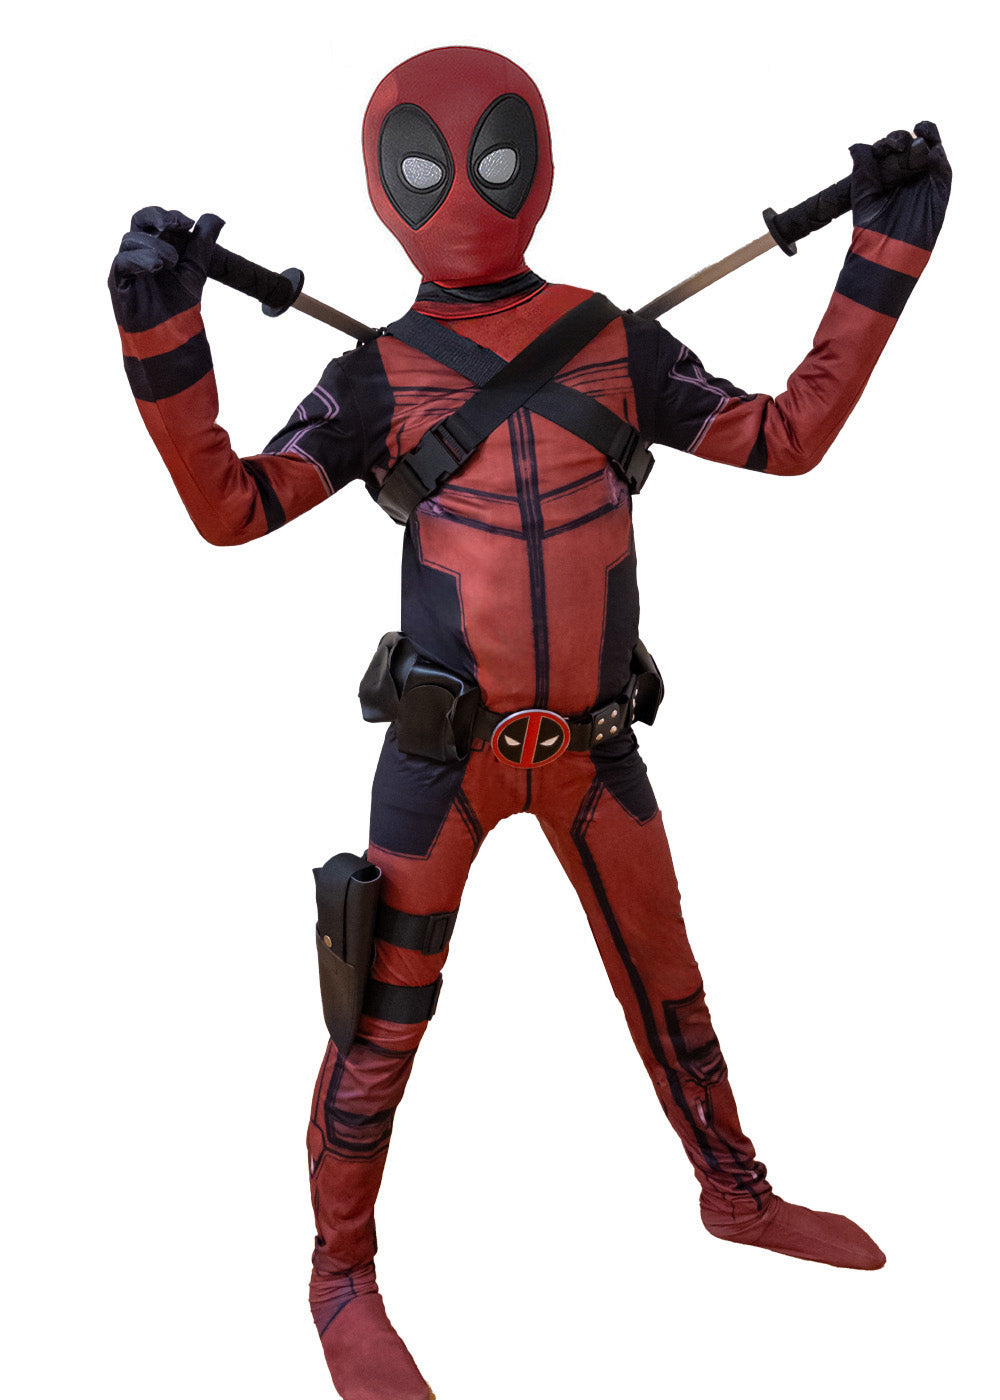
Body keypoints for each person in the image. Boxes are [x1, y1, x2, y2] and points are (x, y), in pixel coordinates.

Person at [109, 45, 950, 1400]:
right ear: (383, 191)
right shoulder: (382, 379)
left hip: (598, 750)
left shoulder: (613, 347)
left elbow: (782, 437)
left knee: (672, 989)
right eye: (428, 169)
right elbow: (235, 509)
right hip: (439, 761)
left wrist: (886, 254)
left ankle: (734, 1194)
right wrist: (161, 333)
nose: (463, 191)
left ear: (540, 169)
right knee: (378, 1031)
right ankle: (340, 1276)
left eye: (494, 160)